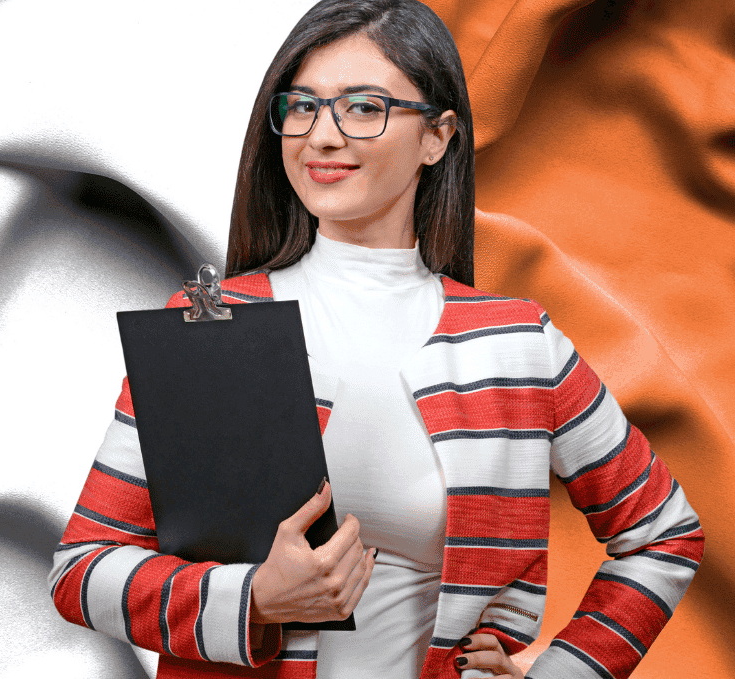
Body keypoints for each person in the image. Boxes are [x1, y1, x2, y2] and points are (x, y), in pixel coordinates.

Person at [48, 1, 703, 677]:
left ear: (438, 136)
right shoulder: (210, 327)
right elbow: (81, 568)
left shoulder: (520, 345)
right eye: (301, 106)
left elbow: (665, 533)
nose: (322, 136)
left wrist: (560, 672)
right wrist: (253, 597)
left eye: (363, 107)